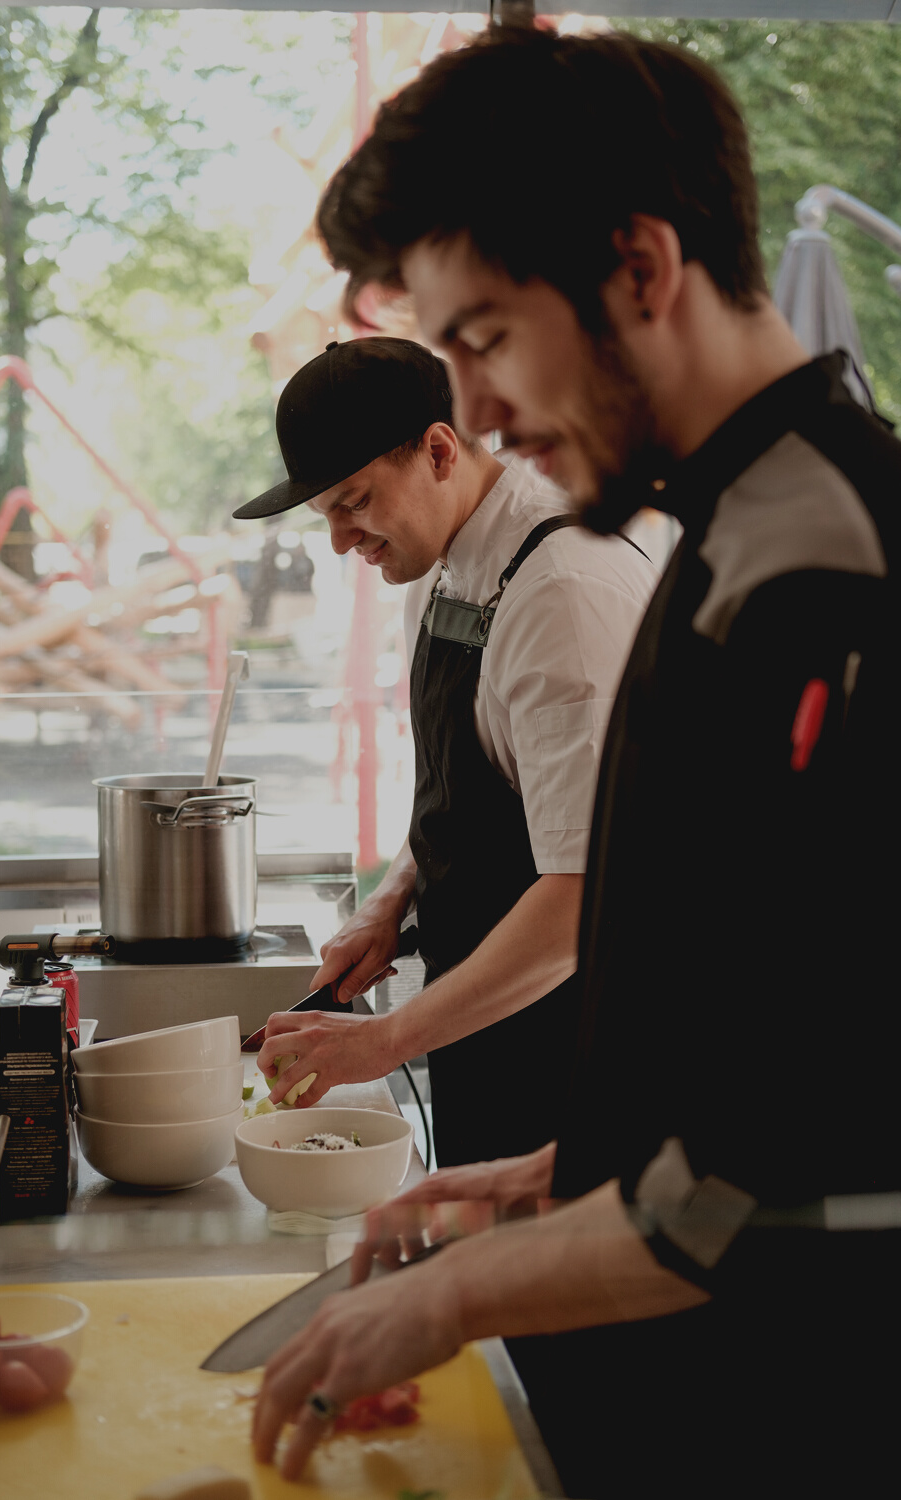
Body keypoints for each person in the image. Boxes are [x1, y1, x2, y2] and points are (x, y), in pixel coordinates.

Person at [251, 27, 897, 1497]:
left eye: (482, 338)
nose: (471, 414)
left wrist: (452, 1298)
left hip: (807, 1407)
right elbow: (791, 1038)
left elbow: (779, 1178)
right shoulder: (724, 532)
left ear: (640, 269)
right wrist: (567, 1172)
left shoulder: (816, 576)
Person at [233, 335, 655, 1165]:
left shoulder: (563, 593)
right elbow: (478, 791)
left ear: (438, 449)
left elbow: (584, 896)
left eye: (354, 501)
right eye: (327, 516)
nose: (342, 543)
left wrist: (383, 1042)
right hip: (492, 1025)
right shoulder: (440, 563)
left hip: (592, 1048)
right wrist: (392, 901)